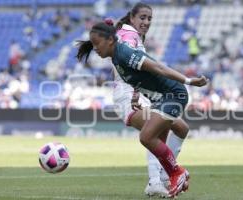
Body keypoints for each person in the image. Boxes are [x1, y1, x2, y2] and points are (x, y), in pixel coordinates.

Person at [76, 22, 208, 198]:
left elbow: (158, 68)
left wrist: (189, 81)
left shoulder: (124, 53)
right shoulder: (116, 57)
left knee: (146, 136)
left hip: (174, 95)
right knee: (156, 140)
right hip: (162, 98)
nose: (95, 48)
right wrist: (135, 96)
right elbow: (139, 78)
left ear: (109, 40)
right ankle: (171, 176)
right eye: (92, 45)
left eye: (96, 43)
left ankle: (177, 172)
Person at [110, 2, 191, 197]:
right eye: (142, 17)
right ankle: (158, 179)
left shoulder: (135, 36)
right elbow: (127, 56)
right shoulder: (127, 36)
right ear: (132, 18)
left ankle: (164, 175)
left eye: (149, 19)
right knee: (155, 130)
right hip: (125, 96)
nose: (146, 22)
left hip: (137, 94)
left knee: (181, 128)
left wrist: (140, 92)